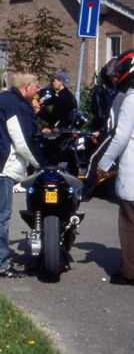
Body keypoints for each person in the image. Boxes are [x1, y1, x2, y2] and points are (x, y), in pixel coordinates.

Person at [0, 70, 48, 278]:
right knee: (1, 217)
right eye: (37, 86)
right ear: (27, 86)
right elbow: (24, 142)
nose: (38, 90)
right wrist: (44, 165)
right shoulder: (18, 105)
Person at [98, 49, 134, 286]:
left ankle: (128, 272)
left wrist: (102, 163)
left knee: (129, 223)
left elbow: (121, 137)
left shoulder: (131, 98)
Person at [82, 60, 119, 201]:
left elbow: (114, 116)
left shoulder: (119, 92)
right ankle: (96, 189)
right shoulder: (102, 90)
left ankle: (87, 191)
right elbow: (100, 114)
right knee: (100, 158)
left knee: (96, 159)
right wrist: (99, 131)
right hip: (105, 128)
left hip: (111, 130)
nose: (113, 78)